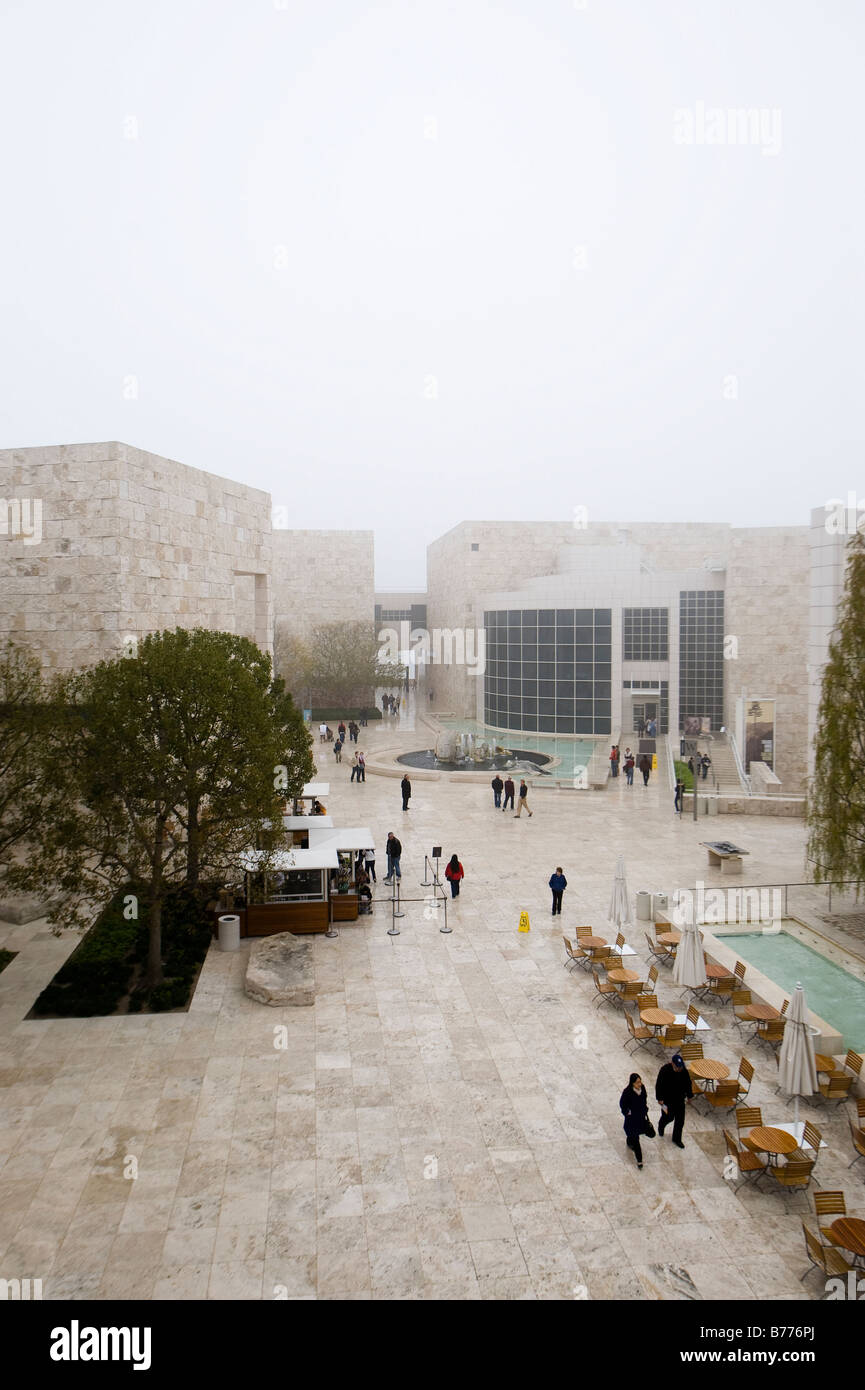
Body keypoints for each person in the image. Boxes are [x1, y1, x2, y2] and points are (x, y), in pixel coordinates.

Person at [655, 1052, 693, 1149]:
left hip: (680, 1100)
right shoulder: (664, 1070)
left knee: (680, 1121)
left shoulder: (683, 1071)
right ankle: (661, 1125)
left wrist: (689, 1095)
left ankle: (677, 1139)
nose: (679, 1069)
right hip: (667, 1101)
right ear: (672, 1063)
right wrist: (659, 1098)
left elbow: (688, 1083)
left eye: (680, 1067)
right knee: (668, 1117)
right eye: (677, 1067)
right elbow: (659, 1085)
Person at [620, 1073, 655, 1170]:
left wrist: (645, 1108)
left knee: (633, 1136)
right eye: (637, 1082)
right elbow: (623, 1104)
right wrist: (628, 1112)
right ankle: (639, 1160)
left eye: (640, 1081)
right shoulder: (627, 1092)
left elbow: (644, 1098)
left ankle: (629, 1140)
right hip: (632, 1120)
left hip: (640, 1117)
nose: (640, 1084)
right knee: (636, 1140)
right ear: (632, 1083)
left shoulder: (642, 1088)